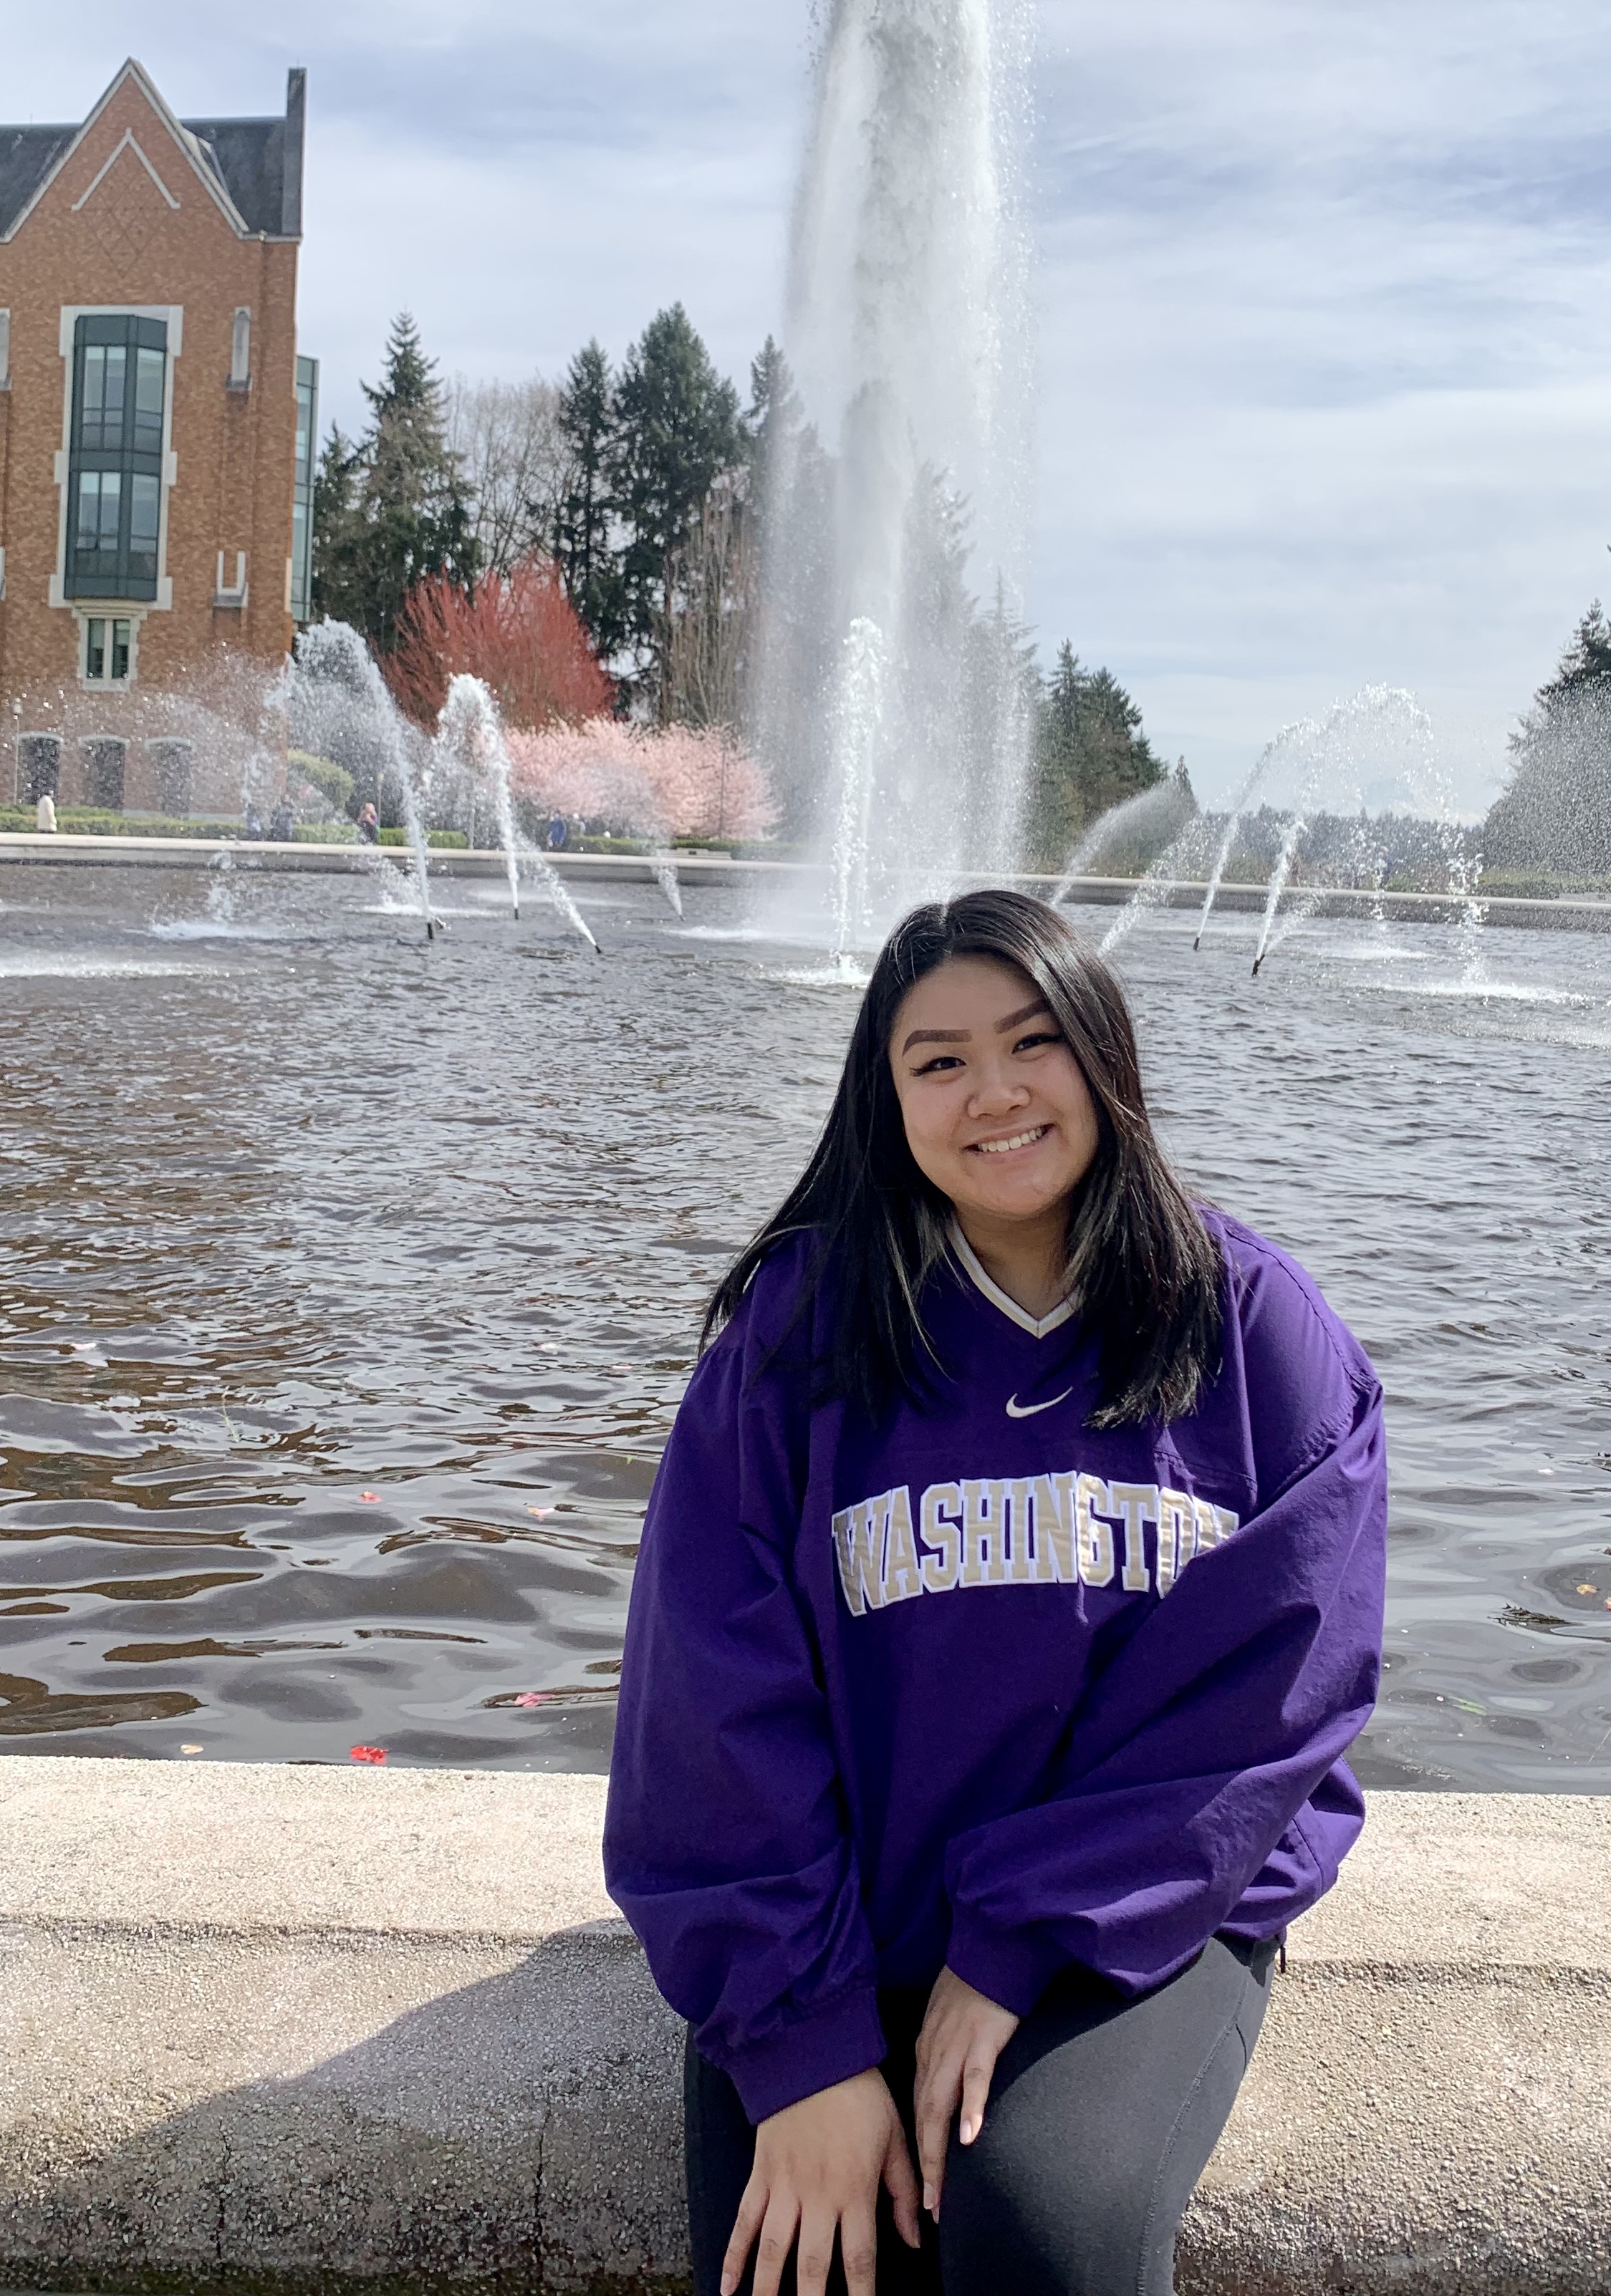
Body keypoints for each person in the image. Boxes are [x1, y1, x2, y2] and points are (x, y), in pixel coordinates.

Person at [606, 889, 1386, 2296]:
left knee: (1041, 2225)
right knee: (796, 2259)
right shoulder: (799, 1338)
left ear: (1104, 1056)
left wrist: (1030, 1932)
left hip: (1136, 1907)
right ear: (885, 1096)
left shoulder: (1253, 1329)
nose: (996, 1094)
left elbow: (1274, 1699)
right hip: (841, 1908)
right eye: (940, 1060)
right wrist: (802, 2049)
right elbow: (709, 1700)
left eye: (1033, 1043)